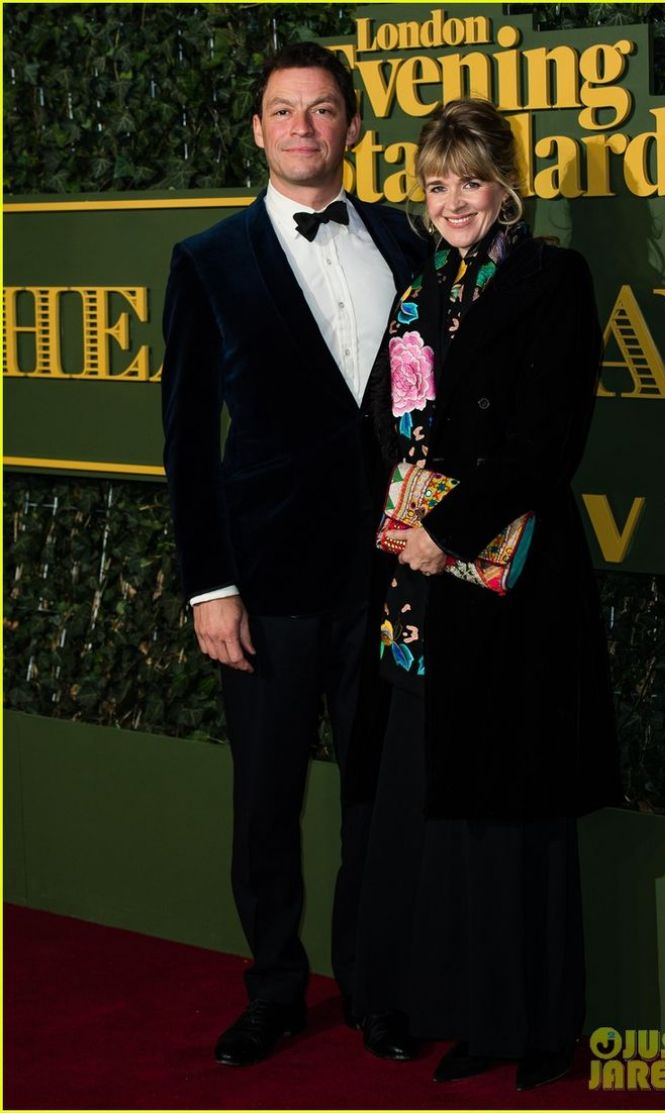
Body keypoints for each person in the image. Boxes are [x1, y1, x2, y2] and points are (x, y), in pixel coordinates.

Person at [161, 41, 425, 1067]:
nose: (303, 128)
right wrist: (210, 585)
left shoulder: (404, 237)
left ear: (353, 126)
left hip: (391, 574)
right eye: (284, 110)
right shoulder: (208, 260)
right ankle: (274, 989)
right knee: (267, 800)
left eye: (322, 110)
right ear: (259, 129)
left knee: (378, 797)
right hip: (266, 583)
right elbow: (187, 443)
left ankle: (376, 987)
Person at [352, 99, 621, 1090]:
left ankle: (541, 1027)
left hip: (518, 589)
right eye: (437, 184)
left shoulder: (553, 278)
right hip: (425, 595)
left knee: (521, 812)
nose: (453, 201)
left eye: (470, 181)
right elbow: (390, 420)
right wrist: (402, 523)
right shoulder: (421, 288)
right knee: (452, 812)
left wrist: (448, 531)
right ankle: (476, 1014)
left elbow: (550, 440)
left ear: (506, 186)